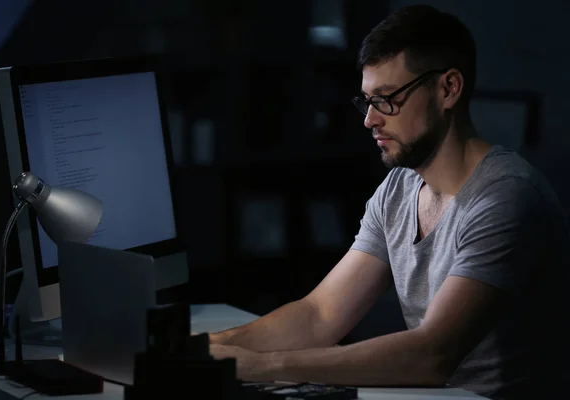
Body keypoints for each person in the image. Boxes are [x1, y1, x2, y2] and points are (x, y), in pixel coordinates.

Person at [206, 5, 570, 400]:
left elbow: (431, 354)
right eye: (366, 101)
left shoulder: (506, 197)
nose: (370, 120)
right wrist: (207, 348)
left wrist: (255, 366)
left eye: (386, 99)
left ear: (448, 89)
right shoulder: (398, 188)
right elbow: (320, 315)